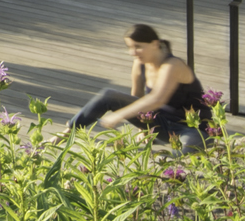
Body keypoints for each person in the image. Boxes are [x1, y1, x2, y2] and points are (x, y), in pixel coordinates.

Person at [69, 24, 211, 151]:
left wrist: (119, 115)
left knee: (182, 154)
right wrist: (142, 129)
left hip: (192, 128)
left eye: (138, 47)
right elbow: (137, 97)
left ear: (155, 44)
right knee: (109, 95)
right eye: (130, 47)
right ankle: (66, 133)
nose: (133, 52)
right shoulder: (139, 64)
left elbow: (157, 99)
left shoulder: (173, 65)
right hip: (160, 123)